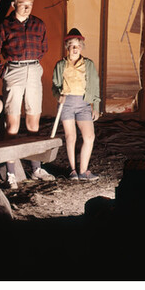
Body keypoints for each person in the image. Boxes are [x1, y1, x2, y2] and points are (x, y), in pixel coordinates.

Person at [0, 0, 55, 189]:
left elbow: (43, 48)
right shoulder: (4, 26)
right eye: (23, 4)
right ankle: (11, 173)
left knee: (33, 121)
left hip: (33, 70)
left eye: (30, 4)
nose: (27, 8)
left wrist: (32, 66)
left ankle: (36, 168)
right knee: (12, 124)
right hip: (13, 71)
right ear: (13, 4)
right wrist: (3, 71)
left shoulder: (38, 25)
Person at [51, 28, 101, 180]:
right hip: (66, 104)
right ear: (67, 47)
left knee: (89, 136)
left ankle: (84, 170)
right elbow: (55, 86)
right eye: (72, 45)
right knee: (70, 136)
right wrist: (58, 95)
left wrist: (96, 107)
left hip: (83, 103)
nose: (74, 48)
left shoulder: (89, 64)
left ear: (81, 47)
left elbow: (95, 85)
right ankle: (73, 170)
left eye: (77, 45)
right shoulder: (61, 65)